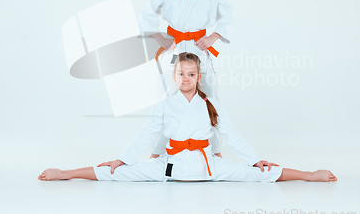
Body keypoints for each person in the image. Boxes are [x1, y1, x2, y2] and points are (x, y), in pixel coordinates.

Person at [38, 52, 337, 183]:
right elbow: (146, 135)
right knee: (113, 172)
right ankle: (64, 173)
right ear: (174, 75)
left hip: (208, 168)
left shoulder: (211, 103)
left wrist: (254, 159)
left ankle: (310, 175)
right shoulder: (165, 104)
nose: (185, 78)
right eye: (180, 73)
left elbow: (231, 135)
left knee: (261, 173)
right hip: (168, 168)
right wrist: (123, 159)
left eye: (191, 74)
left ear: (198, 76)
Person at [140, 0, 233, 159]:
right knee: (167, 98)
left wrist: (213, 37)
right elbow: (147, 13)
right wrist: (159, 38)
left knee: (210, 96)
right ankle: (157, 152)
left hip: (200, 47)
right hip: (174, 47)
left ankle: (216, 151)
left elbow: (228, 14)